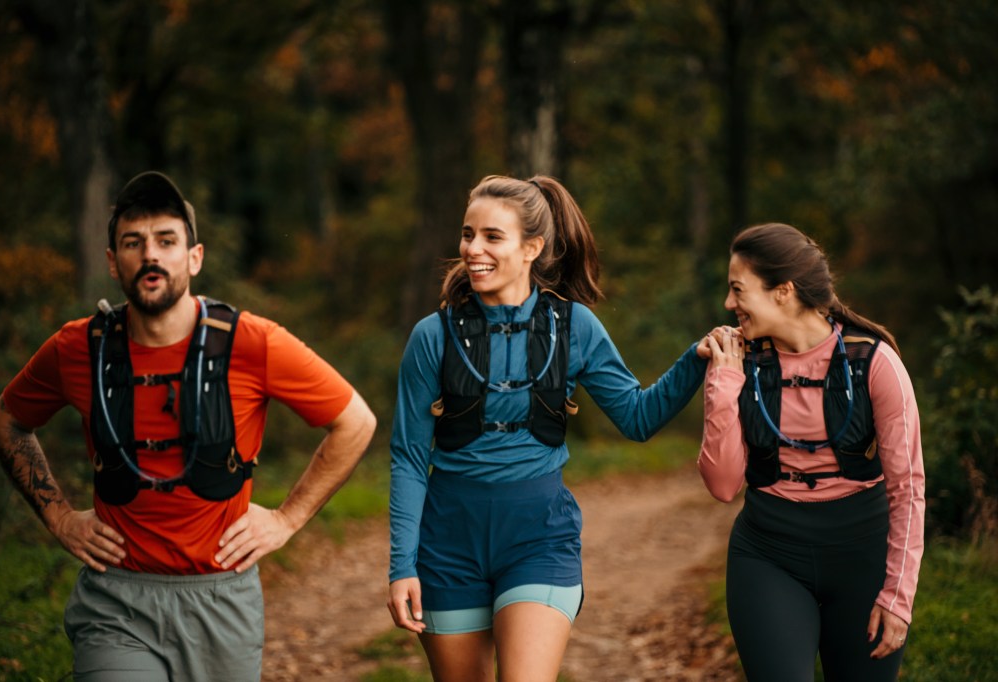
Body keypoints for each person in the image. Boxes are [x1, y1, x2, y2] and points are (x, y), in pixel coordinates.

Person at [0, 171, 376, 681]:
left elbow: (354, 421)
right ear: (112, 262)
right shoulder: (77, 347)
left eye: (166, 240)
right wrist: (59, 518)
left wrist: (287, 519)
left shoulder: (253, 342)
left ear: (193, 257)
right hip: (116, 600)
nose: (151, 255)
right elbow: (7, 420)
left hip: (221, 601)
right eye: (134, 242)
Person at [386, 174, 708, 681]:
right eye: (468, 234)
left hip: (539, 538)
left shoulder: (574, 326)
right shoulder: (432, 335)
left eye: (493, 237)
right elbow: (407, 457)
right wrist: (402, 565)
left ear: (532, 247)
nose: (473, 249)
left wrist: (696, 359)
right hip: (449, 543)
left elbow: (638, 417)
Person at [698, 222, 925, 681]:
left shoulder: (876, 363)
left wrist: (898, 597)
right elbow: (723, 486)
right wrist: (723, 383)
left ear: (782, 291)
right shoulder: (741, 364)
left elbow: (908, 487)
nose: (728, 304)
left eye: (738, 290)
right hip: (768, 554)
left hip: (863, 556)